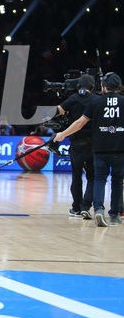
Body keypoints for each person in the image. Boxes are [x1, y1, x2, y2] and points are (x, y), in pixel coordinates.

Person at [54, 72, 124, 227]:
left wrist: (62, 134)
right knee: (118, 181)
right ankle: (114, 215)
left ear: (104, 86)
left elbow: (79, 123)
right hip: (119, 148)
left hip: (99, 147)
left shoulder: (96, 102)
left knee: (99, 178)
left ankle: (98, 209)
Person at [54, 74, 98, 219]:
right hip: (93, 144)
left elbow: (56, 111)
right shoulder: (97, 99)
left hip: (77, 144)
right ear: (92, 87)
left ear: (79, 85)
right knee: (92, 177)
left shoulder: (73, 98)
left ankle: (76, 208)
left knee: (76, 176)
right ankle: (86, 206)